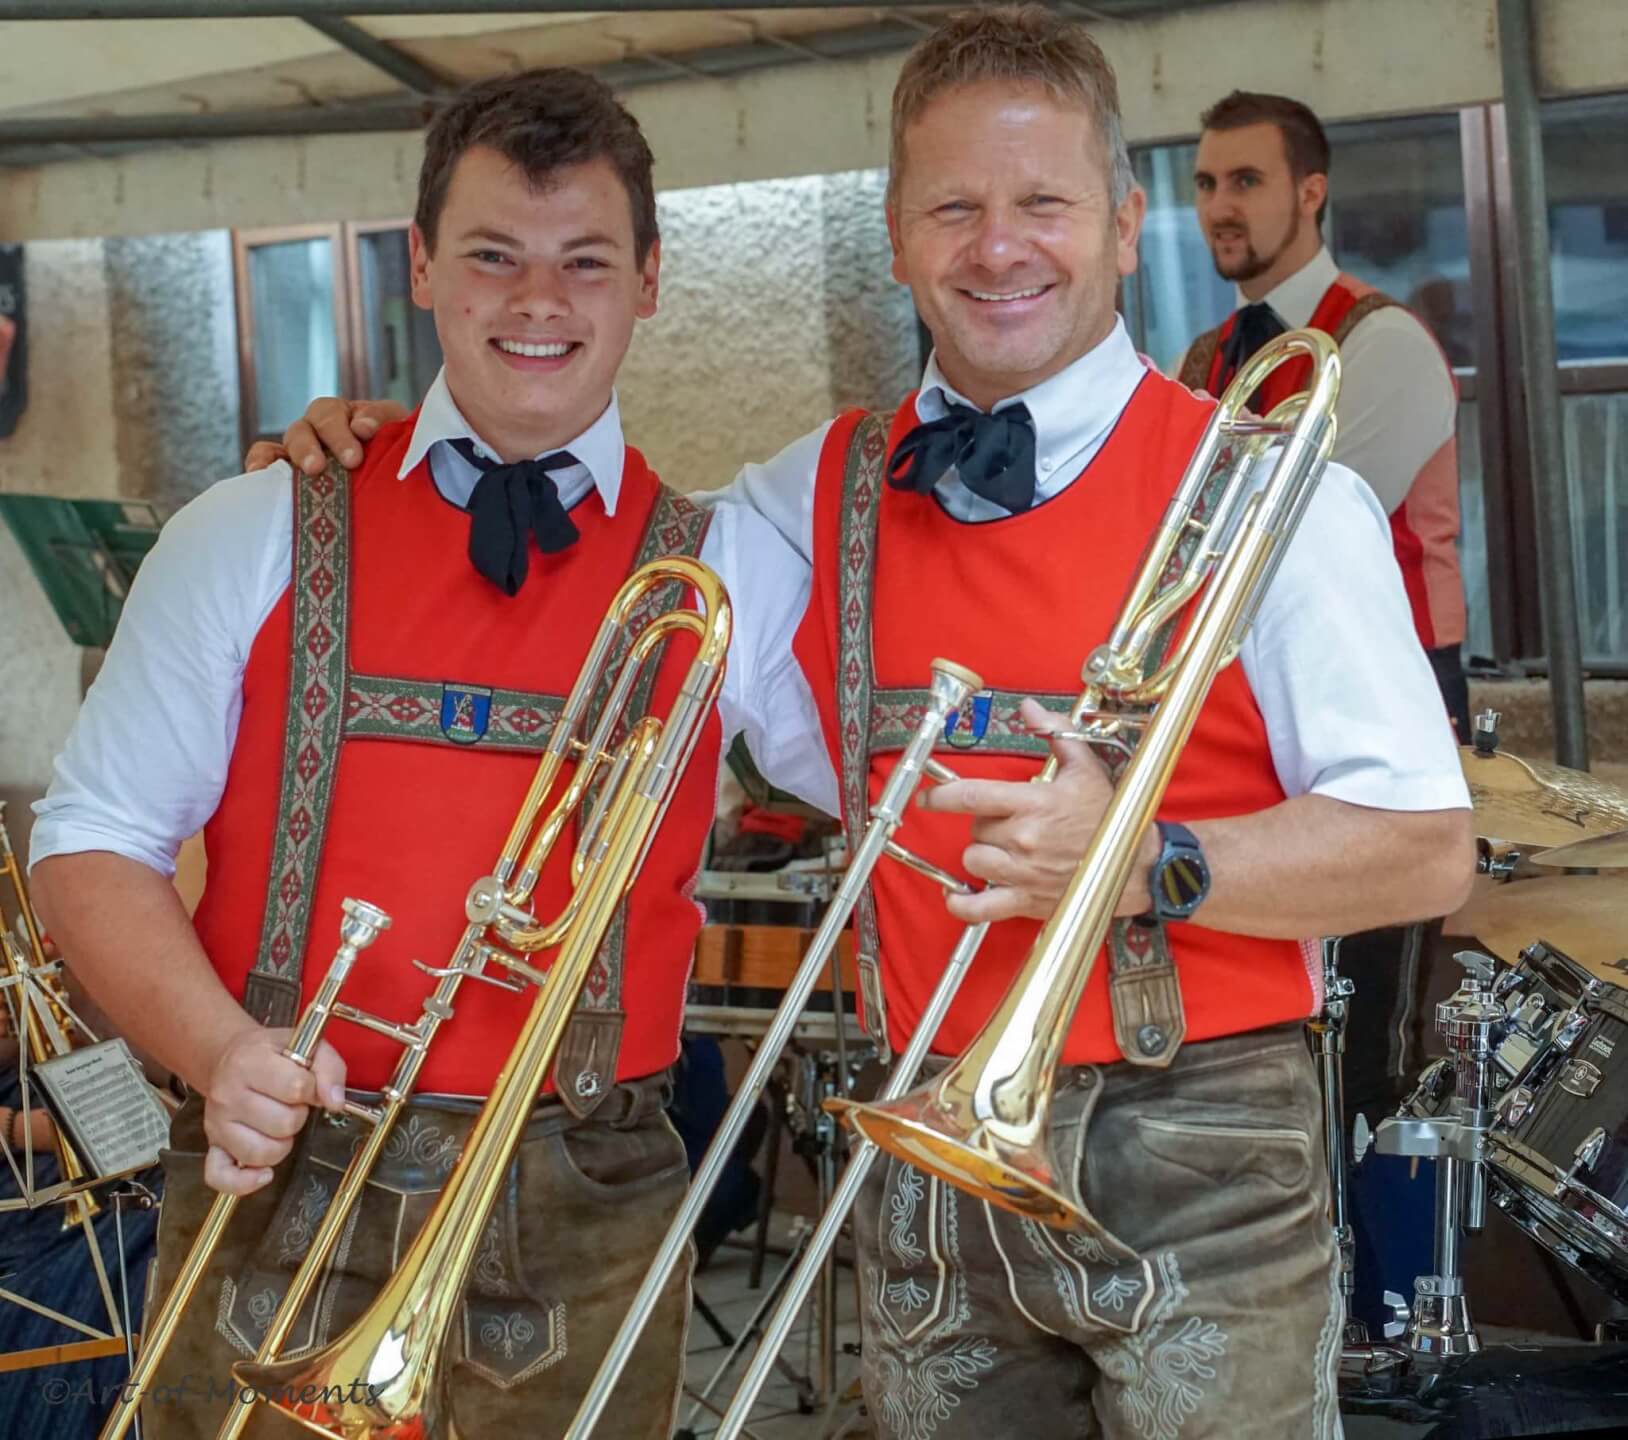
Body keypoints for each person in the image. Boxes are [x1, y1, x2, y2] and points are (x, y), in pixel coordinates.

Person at [264, 7, 1476, 1434]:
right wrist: (397, 448)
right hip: (925, 1149)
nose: (998, 247)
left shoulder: (1276, 489)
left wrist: (1145, 859)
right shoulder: (804, 498)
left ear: (1121, 224)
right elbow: (574, 525)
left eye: (1041, 204)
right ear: (898, 235)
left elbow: (1423, 849)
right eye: (953, 208)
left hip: (1203, 1156)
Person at [27, 68, 833, 1440]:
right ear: (420, 267)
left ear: (650, 280)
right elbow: (92, 837)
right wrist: (219, 1053)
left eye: (586, 261)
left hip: (587, 1199)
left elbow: (895, 786)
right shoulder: (250, 527)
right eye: (493, 256)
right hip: (281, 1180)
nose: (538, 301)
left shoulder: (733, 566)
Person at [1177, 89, 1471, 743]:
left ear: (1312, 193)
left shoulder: (1384, 341)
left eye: (1246, 181)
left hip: (1385, 674)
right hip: (1245, 681)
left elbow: (1304, 533)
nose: (1218, 208)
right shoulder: (1199, 356)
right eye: (1205, 184)